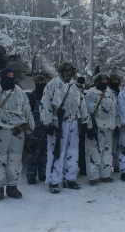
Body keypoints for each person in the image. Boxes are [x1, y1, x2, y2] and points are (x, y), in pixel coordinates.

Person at [0, 68, 35, 201]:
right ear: (2, 77)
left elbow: (27, 112)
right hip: (0, 131)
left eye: (12, 75)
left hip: (17, 132)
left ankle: (12, 186)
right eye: (7, 75)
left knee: (15, 160)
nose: (10, 77)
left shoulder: (20, 93)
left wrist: (29, 131)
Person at [40, 62, 89, 194]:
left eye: (71, 71)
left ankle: (70, 179)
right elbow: (46, 105)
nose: (69, 73)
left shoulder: (76, 87)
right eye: (67, 71)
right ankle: (54, 181)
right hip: (58, 122)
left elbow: (82, 104)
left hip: (73, 121)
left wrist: (85, 121)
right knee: (56, 152)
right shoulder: (52, 85)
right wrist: (47, 124)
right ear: (62, 71)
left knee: (72, 152)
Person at [84, 73, 120, 185]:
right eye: (102, 81)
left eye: (106, 81)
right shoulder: (91, 94)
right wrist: (89, 127)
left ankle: (105, 175)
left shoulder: (110, 94)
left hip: (109, 128)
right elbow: (87, 112)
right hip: (96, 128)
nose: (104, 83)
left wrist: (117, 125)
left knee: (107, 153)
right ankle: (93, 177)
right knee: (94, 153)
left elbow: (115, 110)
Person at [26, 75, 48, 184]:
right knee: (33, 153)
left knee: (45, 153)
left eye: (44, 82)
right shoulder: (32, 97)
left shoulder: (47, 96)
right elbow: (27, 114)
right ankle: (31, 175)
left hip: (46, 128)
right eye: (41, 82)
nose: (43, 84)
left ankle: (42, 173)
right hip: (35, 129)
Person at [108, 73, 122, 172]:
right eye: (113, 81)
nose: (115, 83)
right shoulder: (108, 92)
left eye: (117, 81)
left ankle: (117, 165)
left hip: (121, 122)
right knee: (110, 147)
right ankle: (108, 167)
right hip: (110, 123)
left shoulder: (120, 92)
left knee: (119, 145)